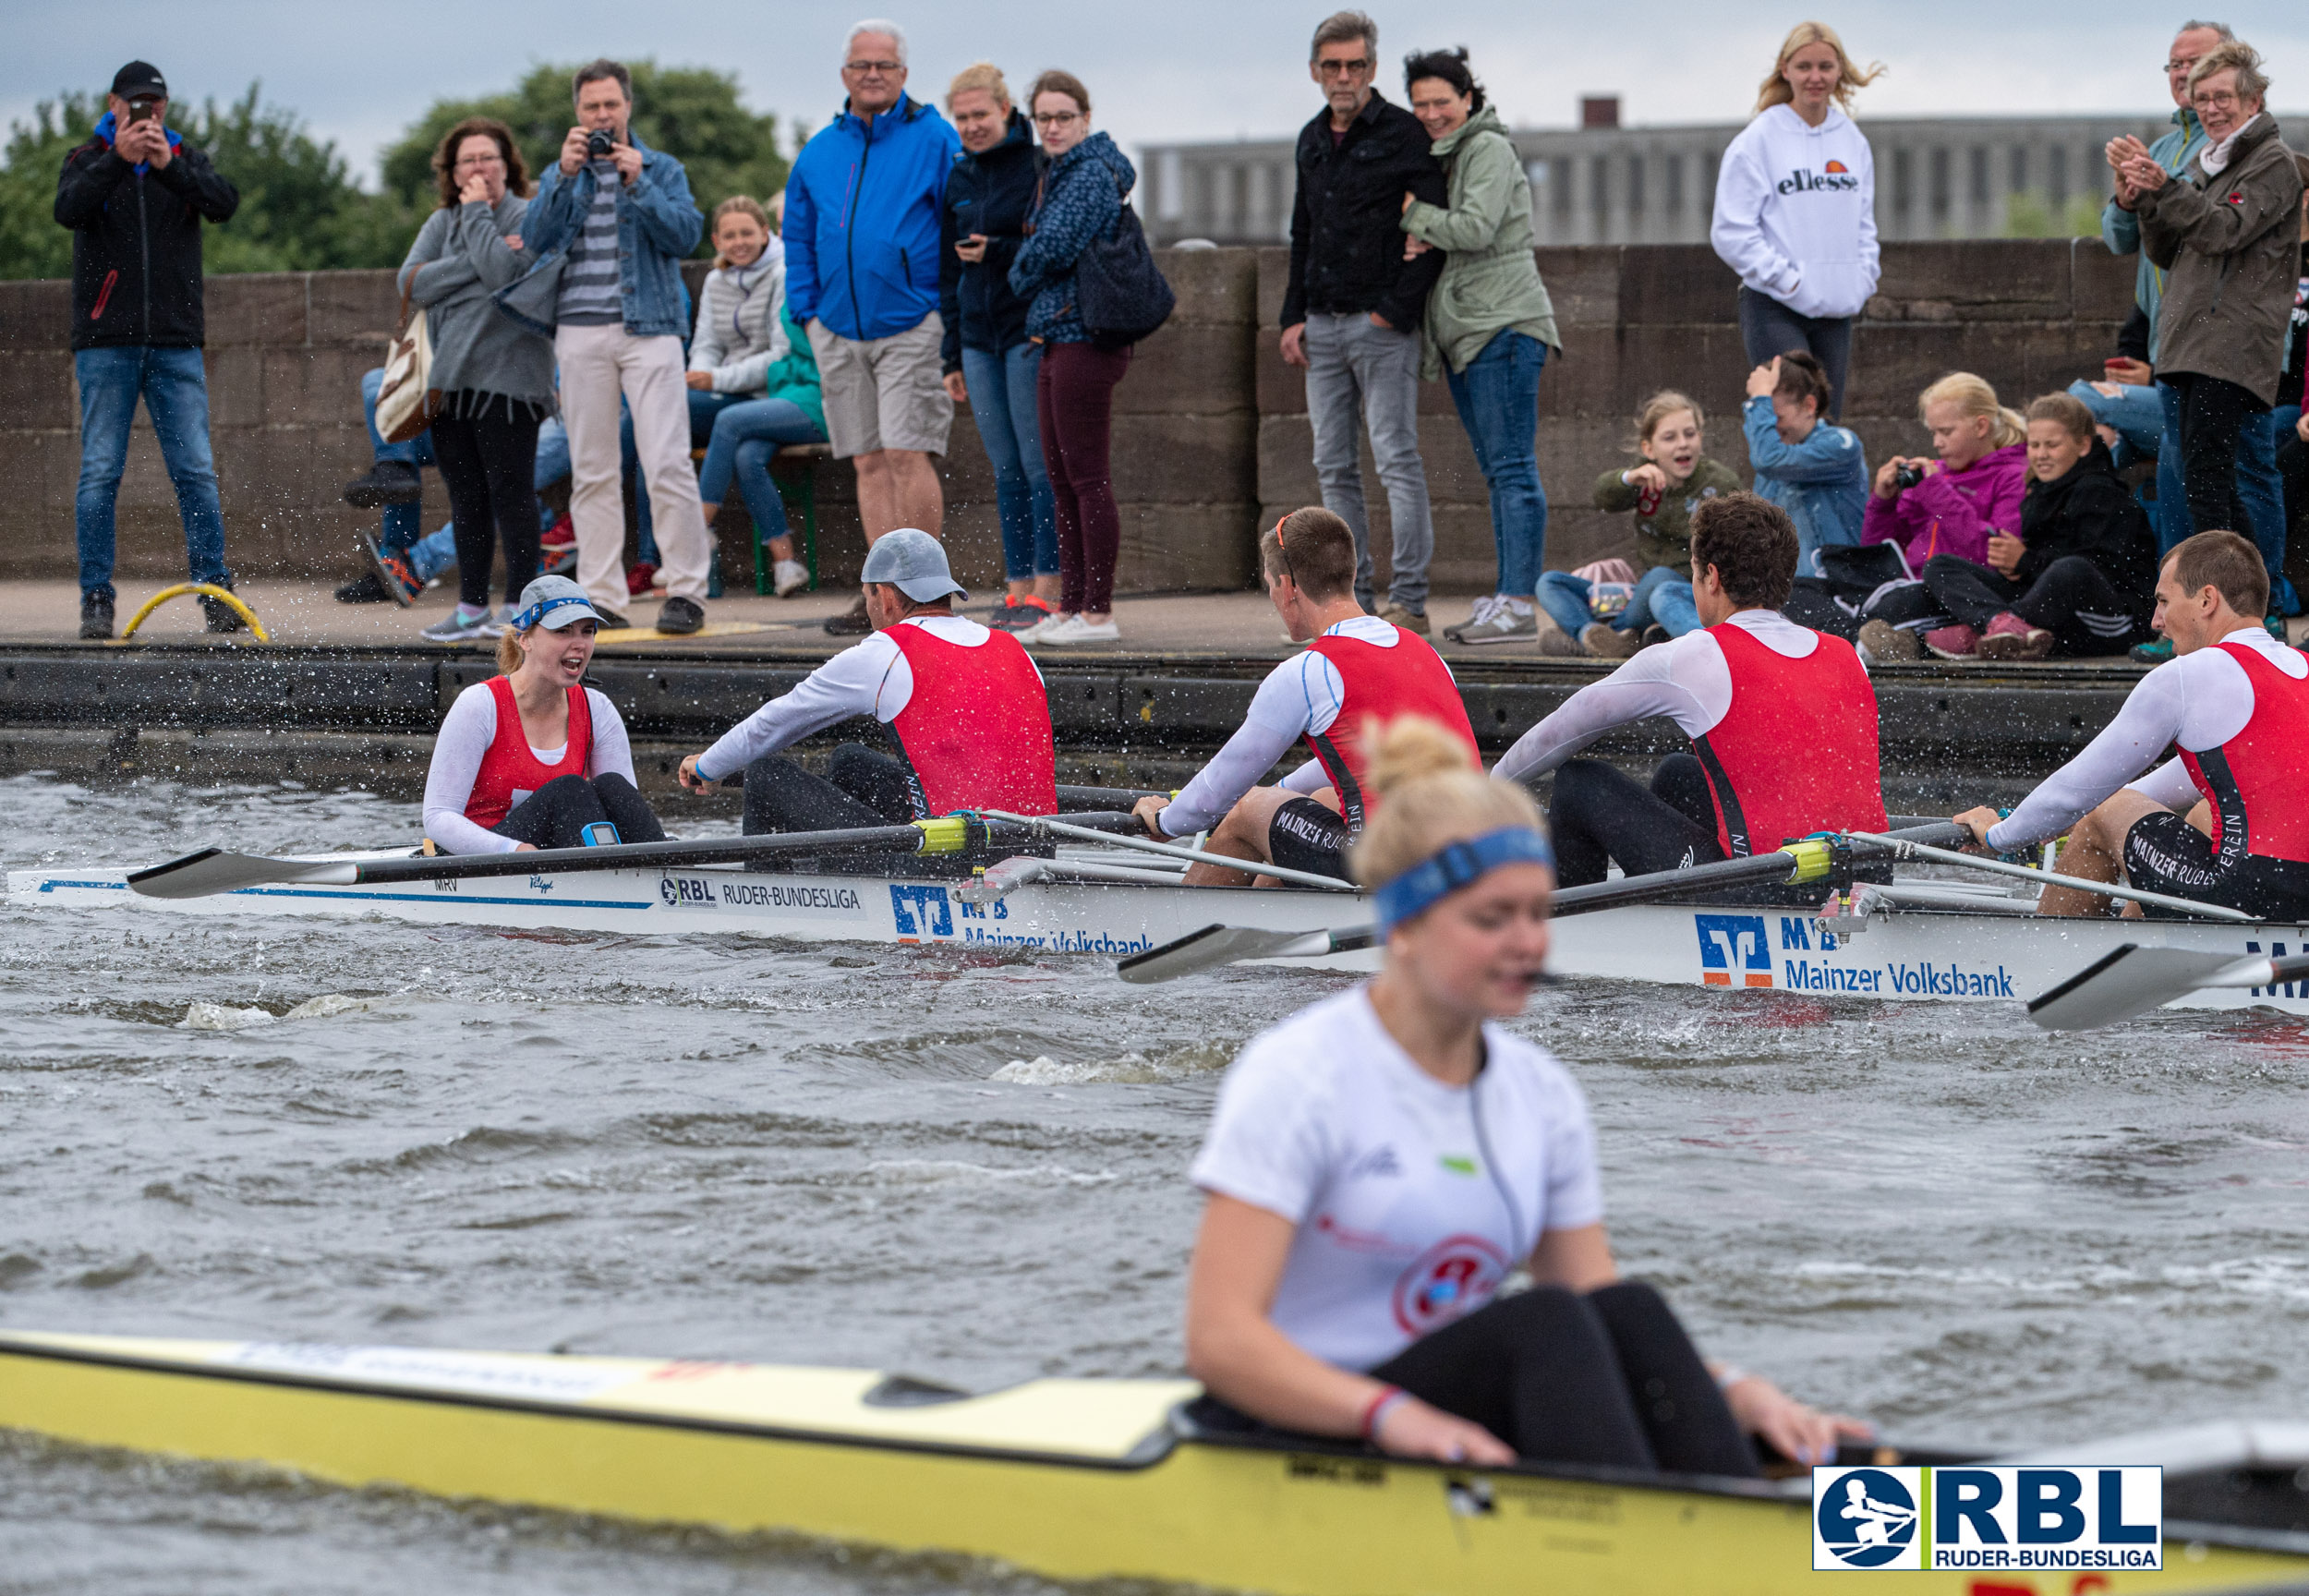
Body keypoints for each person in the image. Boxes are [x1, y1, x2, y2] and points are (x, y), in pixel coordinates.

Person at [1184, 714, 1868, 1472]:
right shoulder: (1298, 1074)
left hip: (1444, 1405)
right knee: (1543, 1326)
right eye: (1492, 918)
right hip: (1297, 1423)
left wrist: (1734, 1392)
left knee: (1624, 1309)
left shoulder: (1539, 1094)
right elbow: (1218, 1343)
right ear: (1404, 923)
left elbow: (1600, 1307)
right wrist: (1389, 1417)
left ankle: (1740, 1511)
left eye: (1538, 912)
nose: (1527, 943)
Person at [1495, 492, 1888, 891]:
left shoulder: (1697, 653)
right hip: (1863, 878)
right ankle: (1663, 911)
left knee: (1579, 782)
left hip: (1764, 886)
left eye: (1695, 573)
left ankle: (1575, 930)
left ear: (1712, 578)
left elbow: (1566, 729)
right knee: (1678, 775)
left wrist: (1486, 789)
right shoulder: (1846, 654)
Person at [1956, 531, 2309, 922]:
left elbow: (2078, 793)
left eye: (2163, 601)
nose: (2156, 621)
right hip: (2296, 894)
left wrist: (1998, 836)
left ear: (2207, 600)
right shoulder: (2301, 671)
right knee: (2199, 816)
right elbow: (2173, 784)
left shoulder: (2185, 675)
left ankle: (2051, 968)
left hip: (2253, 894)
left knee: (2104, 813)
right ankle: (2135, 953)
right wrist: (2032, 820)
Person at [1131, 507, 1477, 885]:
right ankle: (1270, 927)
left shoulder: (1310, 670)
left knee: (1247, 811)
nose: (1274, 600)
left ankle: (1184, 930)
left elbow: (1222, 786)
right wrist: (1278, 793)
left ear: (1287, 586)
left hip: (1388, 861)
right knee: (1320, 799)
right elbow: (1359, 758)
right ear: (1352, 573)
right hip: (1471, 851)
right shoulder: (1428, 654)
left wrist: (1165, 820)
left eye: (1269, 587)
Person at [2099, 18, 2292, 659]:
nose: (2210, 108)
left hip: (2231, 347)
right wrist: (2141, 200)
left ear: (2252, 102)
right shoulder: (2204, 162)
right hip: (2184, 344)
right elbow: (2166, 247)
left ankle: (2238, 620)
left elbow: (2222, 230)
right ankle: (2224, 618)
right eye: (2203, 97)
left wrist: (2166, 188)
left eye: (2223, 98)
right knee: (2208, 483)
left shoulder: (2272, 161)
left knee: (2224, 481)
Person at [675, 529, 1056, 852]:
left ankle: (765, 899)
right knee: (850, 761)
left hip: (950, 856)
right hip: (1033, 848)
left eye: (867, 596)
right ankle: (834, 875)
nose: (869, 609)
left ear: (885, 596)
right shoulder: (1011, 646)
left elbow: (776, 722)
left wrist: (708, 765)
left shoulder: (888, 651)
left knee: (765, 772)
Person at [514, 59, 709, 635]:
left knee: (667, 460)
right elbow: (536, 241)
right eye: (591, 107)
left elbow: (684, 234)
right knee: (593, 469)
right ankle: (599, 596)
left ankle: (686, 590)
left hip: (650, 327)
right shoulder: (561, 172)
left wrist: (638, 180)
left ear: (627, 107)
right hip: (578, 330)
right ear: (578, 113)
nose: (602, 116)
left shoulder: (661, 168)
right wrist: (565, 176)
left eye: (611, 105)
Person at [786, 19, 961, 637]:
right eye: (862, 64)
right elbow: (799, 237)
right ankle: (881, 595)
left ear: (904, 74)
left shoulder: (935, 138)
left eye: (884, 65)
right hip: (835, 326)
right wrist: (805, 314)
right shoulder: (818, 150)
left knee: (906, 451)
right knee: (866, 461)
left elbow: (957, 221)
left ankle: (927, 597)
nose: (873, 73)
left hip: (911, 321)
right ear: (845, 75)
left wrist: (943, 307)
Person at [55, 60, 242, 642]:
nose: (147, 115)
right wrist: (120, 159)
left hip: (175, 341)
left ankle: (215, 592)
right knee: (100, 473)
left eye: (155, 105)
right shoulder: (87, 159)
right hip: (105, 343)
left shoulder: (183, 159)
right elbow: (68, 209)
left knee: (195, 473)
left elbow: (223, 203)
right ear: (114, 105)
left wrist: (167, 166)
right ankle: (96, 599)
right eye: (136, 105)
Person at [1279, 11, 1449, 633]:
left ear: (1372, 69)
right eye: (1332, 66)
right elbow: (1303, 231)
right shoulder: (1310, 138)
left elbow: (1434, 229)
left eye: (1355, 65)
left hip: (1382, 329)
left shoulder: (1404, 134)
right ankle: (1354, 601)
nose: (1344, 76)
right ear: (1315, 72)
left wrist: (1394, 312)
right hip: (1321, 326)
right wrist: (1291, 315)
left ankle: (1411, 600)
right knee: (1333, 466)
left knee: (1396, 459)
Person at [1396, 49, 1559, 649]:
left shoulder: (1486, 148)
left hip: (1504, 327)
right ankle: (1508, 595)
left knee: (1512, 468)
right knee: (1499, 471)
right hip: (1472, 330)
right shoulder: (1454, 153)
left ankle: (1517, 601)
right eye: (1421, 104)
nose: (1432, 113)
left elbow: (1475, 228)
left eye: (1443, 101)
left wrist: (1414, 217)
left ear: (1469, 99)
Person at [397, 118, 555, 645]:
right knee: (465, 499)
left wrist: (478, 222)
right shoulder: (442, 221)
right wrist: (474, 258)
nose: (479, 167)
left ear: (508, 165)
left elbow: (508, 276)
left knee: (513, 495)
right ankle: (470, 610)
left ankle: (521, 611)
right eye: (469, 160)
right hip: (449, 384)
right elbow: (412, 283)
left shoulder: (530, 216)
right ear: (453, 169)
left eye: (489, 157)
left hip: (511, 382)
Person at [1006, 70, 1138, 648]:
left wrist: (1019, 263)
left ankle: (1098, 612)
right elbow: (1045, 246)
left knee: (1086, 478)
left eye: (1063, 116)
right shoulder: (1057, 172)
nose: (1053, 127)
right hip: (1057, 336)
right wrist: (1030, 257)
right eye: (1044, 118)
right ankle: (1072, 605)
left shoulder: (1088, 173)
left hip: (1087, 336)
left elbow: (1049, 248)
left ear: (1085, 118)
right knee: (1061, 479)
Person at [1710, 23, 1883, 422]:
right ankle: (1768, 489)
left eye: (1825, 66)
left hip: (1836, 308)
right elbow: (1731, 231)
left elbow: (1864, 225)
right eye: (1804, 66)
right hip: (1776, 305)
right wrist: (1787, 280)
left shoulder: (1852, 140)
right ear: (1785, 70)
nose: (1815, 77)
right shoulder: (1758, 140)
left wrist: (1862, 279)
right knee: (1788, 421)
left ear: (1839, 70)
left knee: (1825, 426)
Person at [420, 576, 665, 854]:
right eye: (563, 631)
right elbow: (438, 817)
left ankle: (670, 871)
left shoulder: (598, 709)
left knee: (613, 787)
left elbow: (623, 814)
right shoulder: (479, 705)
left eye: (587, 631)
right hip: (483, 859)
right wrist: (515, 851)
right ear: (524, 639)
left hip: (549, 861)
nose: (579, 644)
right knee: (569, 791)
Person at [1904, 393, 2158, 662]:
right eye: (2034, 445)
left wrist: (2025, 562)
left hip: (2110, 622)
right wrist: (2014, 565)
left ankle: (1973, 635)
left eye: (2052, 445)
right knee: (1941, 567)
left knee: (2070, 570)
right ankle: (2000, 624)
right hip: (2048, 618)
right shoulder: (2039, 492)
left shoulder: (2102, 492)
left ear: (2083, 445)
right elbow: (2038, 571)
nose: (2041, 455)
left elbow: (2097, 572)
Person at [939, 64, 1058, 632]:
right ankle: (1015, 586)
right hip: (976, 338)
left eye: (980, 115)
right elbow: (945, 270)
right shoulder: (958, 175)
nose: (971, 126)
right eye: (961, 118)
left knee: (1039, 465)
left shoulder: (1036, 166)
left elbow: (1050, 245)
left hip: (1025, 329)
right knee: (1005, 468)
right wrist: (949, 355)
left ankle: (1048, 585)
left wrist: (998, 249)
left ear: (1006, 111)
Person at [686, 196, 827, 600]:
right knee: (747, 454)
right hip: (783, 394)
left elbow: (788, 355)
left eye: (750, 231)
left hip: (816, 397)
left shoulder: (800, 277)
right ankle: (785, 562)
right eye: (728, 234)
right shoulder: (793, 278)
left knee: (729, 421)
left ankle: (695, 538)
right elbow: (711, 342)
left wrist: (722, 377)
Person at [1534, 392, 1735, 657]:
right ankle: (1590, 634)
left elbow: (1739, 542)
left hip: (1684, 592)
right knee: (1548, 582)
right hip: (1639, 595)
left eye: (1690, 434)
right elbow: (1603, 497)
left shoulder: (1719, 482)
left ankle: (1594, 640)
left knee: (1660, 578)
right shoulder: (1644, 476)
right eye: (1669, 437)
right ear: (1648, 449)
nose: (1682, 444)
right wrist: (1628, 478)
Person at [1742, 351, 1868, 574]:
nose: (1771, 428)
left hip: (1836, 587)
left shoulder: (1841, 444)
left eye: (1777, 417)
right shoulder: (1771, 465)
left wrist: (1759, 401)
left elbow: (1769, 459)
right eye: (1766, 420)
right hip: (1783, 591)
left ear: (1809, 405)